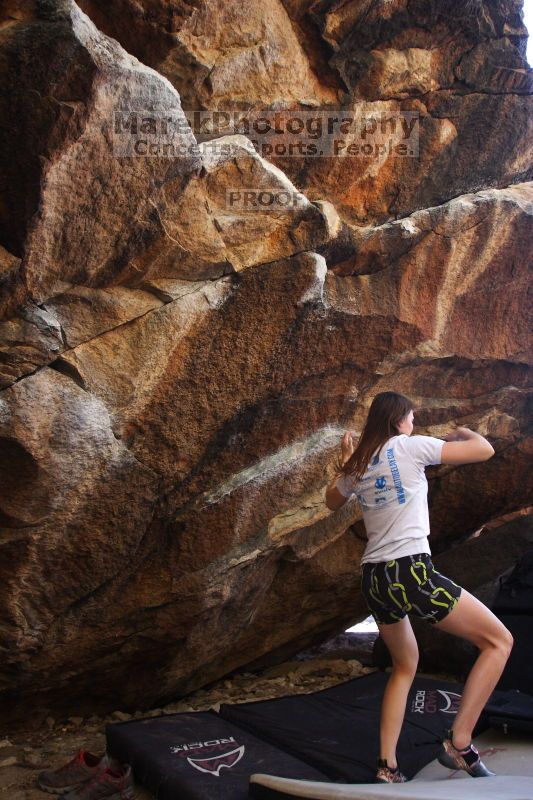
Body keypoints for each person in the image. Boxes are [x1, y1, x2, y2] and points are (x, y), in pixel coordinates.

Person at [325, 391, 514, 784]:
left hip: (375, 579)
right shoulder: (410, 447)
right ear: (398, 421)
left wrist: (343, 466)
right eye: (411, 417)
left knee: (404, 665)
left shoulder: (359, 463)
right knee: (499, 642)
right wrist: (461, 431)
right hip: (411, 572)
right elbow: (484, 451)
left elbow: (330, 502)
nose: (413, 423)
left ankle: (387, 767)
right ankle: (459, 744)